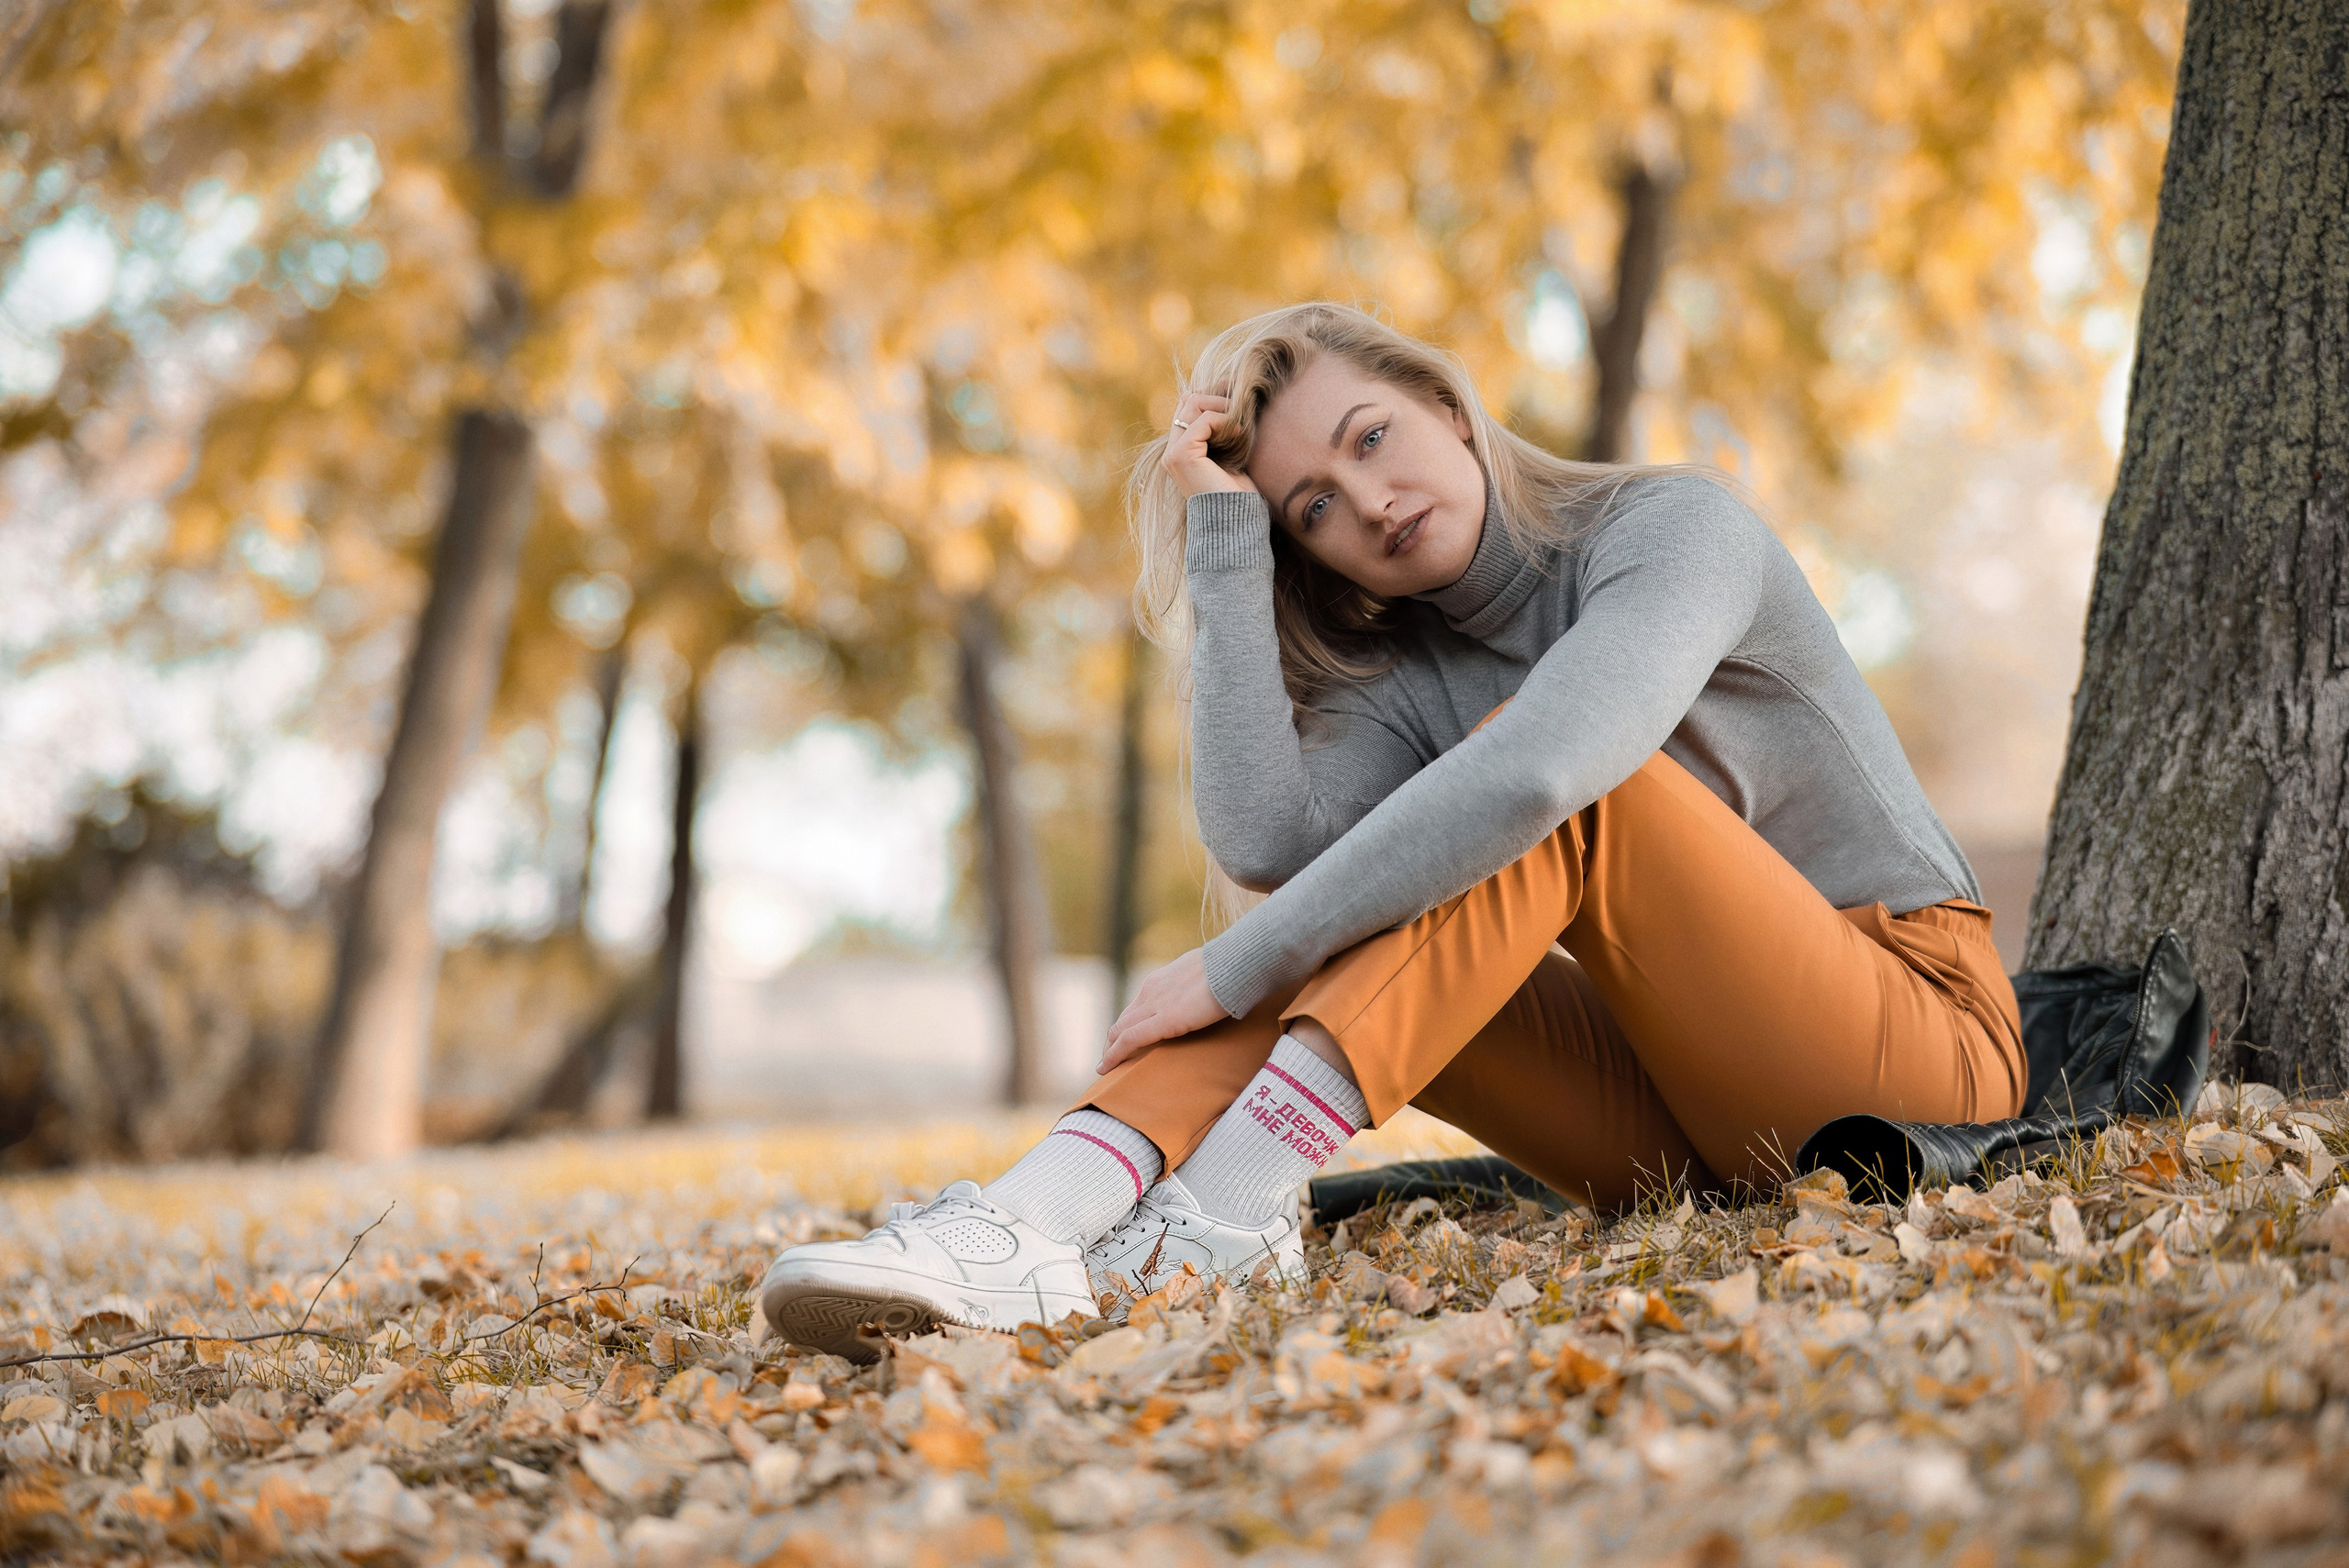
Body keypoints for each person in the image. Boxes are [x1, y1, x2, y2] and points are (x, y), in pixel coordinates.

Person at [757, 302, 2023, 1358]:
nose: (1368, 498)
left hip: (1914, 1064)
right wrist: (1223, 544)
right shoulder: (1402, 676)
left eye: (1375, 437)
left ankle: (1235, 1209)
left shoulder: (1674, 529)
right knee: (1350, 886)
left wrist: (1233, 960)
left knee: (1565, 780)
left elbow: (1544, 775)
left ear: (1450, 407)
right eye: (1313, 507)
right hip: (1684, 1132)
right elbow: (1270, 842)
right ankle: (1035, 1216)